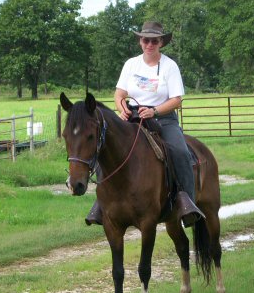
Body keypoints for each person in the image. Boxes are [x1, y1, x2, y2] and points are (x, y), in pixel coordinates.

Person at [86, 21, 204, 227]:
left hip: (162, 118)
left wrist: (155, 110)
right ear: (140, 41)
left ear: (161, 43)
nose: (149, 44)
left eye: (154, 41)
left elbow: (177, 99)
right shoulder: (131, 64)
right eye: (145, 40)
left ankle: (187, 203)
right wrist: (122, 107)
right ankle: (101, 203)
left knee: (180, 152)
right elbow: (120, 93)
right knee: (105, 147)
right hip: (132, 117)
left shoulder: (169, 66)